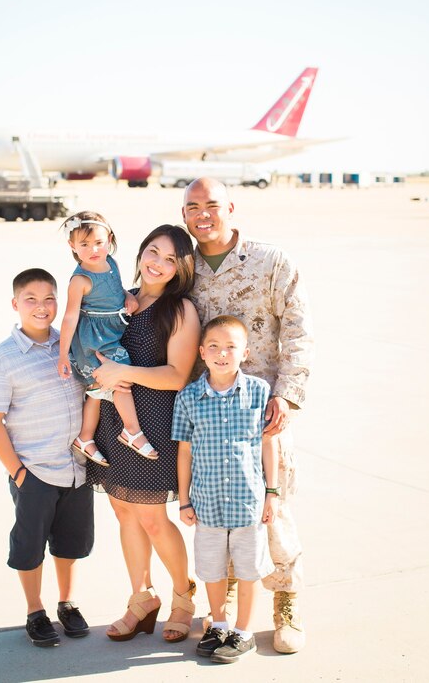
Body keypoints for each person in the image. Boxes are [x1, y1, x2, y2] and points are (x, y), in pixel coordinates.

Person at [182, 178, 314, 654]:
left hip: (264, 413)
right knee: (220, 512)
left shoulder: (270, 262)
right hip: (210, 413)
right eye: (192, 206)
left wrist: (288, 396)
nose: (202, 214)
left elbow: (299, 330)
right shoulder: (184, 268)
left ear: (231, 208)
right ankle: (231, 596)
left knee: (272, 512)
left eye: (211, 205)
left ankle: (286, 602)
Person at [86, 224, 201, 643]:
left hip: (153, 423)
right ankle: (141, 597)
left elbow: (177, 376)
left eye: (170, 259)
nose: (158, 263)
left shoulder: (180, 310)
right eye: (153, 252)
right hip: (112, 420)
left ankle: (183, 596)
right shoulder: (121, 298)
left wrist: (122, 372)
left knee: (152, 517)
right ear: (140, 253)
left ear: (181, 268)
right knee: (122, 511)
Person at [0, 268, 94, 648]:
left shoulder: (70, 344)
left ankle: (67, 603)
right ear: (16, 304)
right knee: (30, 547)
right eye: (31, 299)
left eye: (49, 299)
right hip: (34, 471)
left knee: (70, 544)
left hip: (76, 468)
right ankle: (35, 609)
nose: (42, 307)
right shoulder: (1, 359)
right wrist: (18, 472)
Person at [173, 315, 279, 663]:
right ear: (202, 352)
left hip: (249, 502)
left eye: (231, 347)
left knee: (248, 570)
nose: (222, 354)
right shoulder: (189, 397)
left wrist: (272, 493)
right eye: (214, 347)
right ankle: (218, 623)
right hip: (207, 503)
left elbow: (267, 444)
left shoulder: (259, 392)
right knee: (212, 569)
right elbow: (185, 452)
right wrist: (185, 500)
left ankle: (244, 632)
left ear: (244, 352)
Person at [58, 210, 158, 464]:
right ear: (72, 246)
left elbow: (115, 288)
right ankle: (132, 431)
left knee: (95, 390)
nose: (93, 249)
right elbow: (69, 318)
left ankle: (85, 437)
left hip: (111, 329)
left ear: (109, 239)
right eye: (84, 244)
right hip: (93, 341)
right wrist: (63, 355)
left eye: (99, 243)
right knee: (120, 378)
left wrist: (128, 296)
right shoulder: (80, 280)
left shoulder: (110, 262)